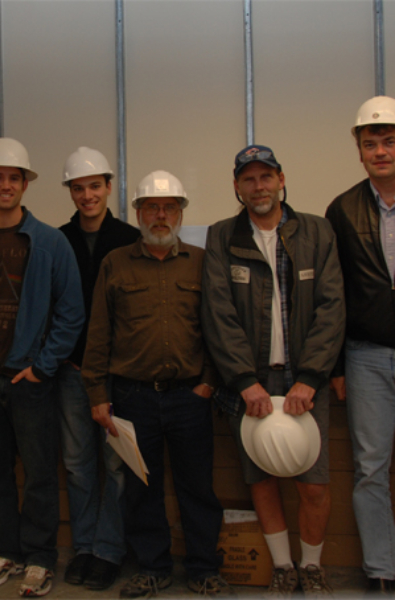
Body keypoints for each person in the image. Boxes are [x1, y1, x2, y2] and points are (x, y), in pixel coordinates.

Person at [203, 146, 344, 596]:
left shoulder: (317, 232)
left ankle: (312, 566)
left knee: (313, 483)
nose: (258, 187)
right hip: (250, 383)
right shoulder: (222, 236)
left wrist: (312, 376)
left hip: (306, 380)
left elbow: (332, 307)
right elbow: (218, 313)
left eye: (266, 177)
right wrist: (245, 381)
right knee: (261, 477)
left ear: (281, 180)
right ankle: (283, 567)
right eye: (248, 179)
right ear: (236, 187)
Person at [83, 171, 230, 598]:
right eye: (152, 208)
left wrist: (209, 383)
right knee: (141, 490)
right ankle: (152, 567)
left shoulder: (202, 262)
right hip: (133, 397)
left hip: (190, 397)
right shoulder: (115, 263)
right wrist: (97, 394)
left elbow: (218, 328)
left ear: (180, 213)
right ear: (138, 213)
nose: (160, 215)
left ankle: (203, 568)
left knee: (197, 488)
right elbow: (99, 333)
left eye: (169, 208)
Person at [0, 137, 84, 597]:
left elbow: (71, 312)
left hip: (29, 380)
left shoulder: (50, 242)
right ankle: (6, 551)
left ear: (25, 184)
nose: (5, 185)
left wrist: (42, 368)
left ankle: (40, 558)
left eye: (14, 177)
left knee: (40, 474)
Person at [56, 147, 139, 590]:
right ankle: (84, 548)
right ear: (70, 192)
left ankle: (108, 551)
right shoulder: (58, 240)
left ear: (108, 187)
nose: (87, 195)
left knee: (116, 466)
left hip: (118, 372)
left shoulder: (130, 239)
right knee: (77, 464)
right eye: (78, 188)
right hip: (71, 370)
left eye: (94, 186)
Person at [326, 96, 395, 594]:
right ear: (359, 150)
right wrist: (335, 365)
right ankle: (381, 569)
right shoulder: (343, 210)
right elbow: (334, 295)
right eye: (371, 144)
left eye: (389, 141)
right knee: (371, 466)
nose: (381, 152)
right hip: (366, 355)